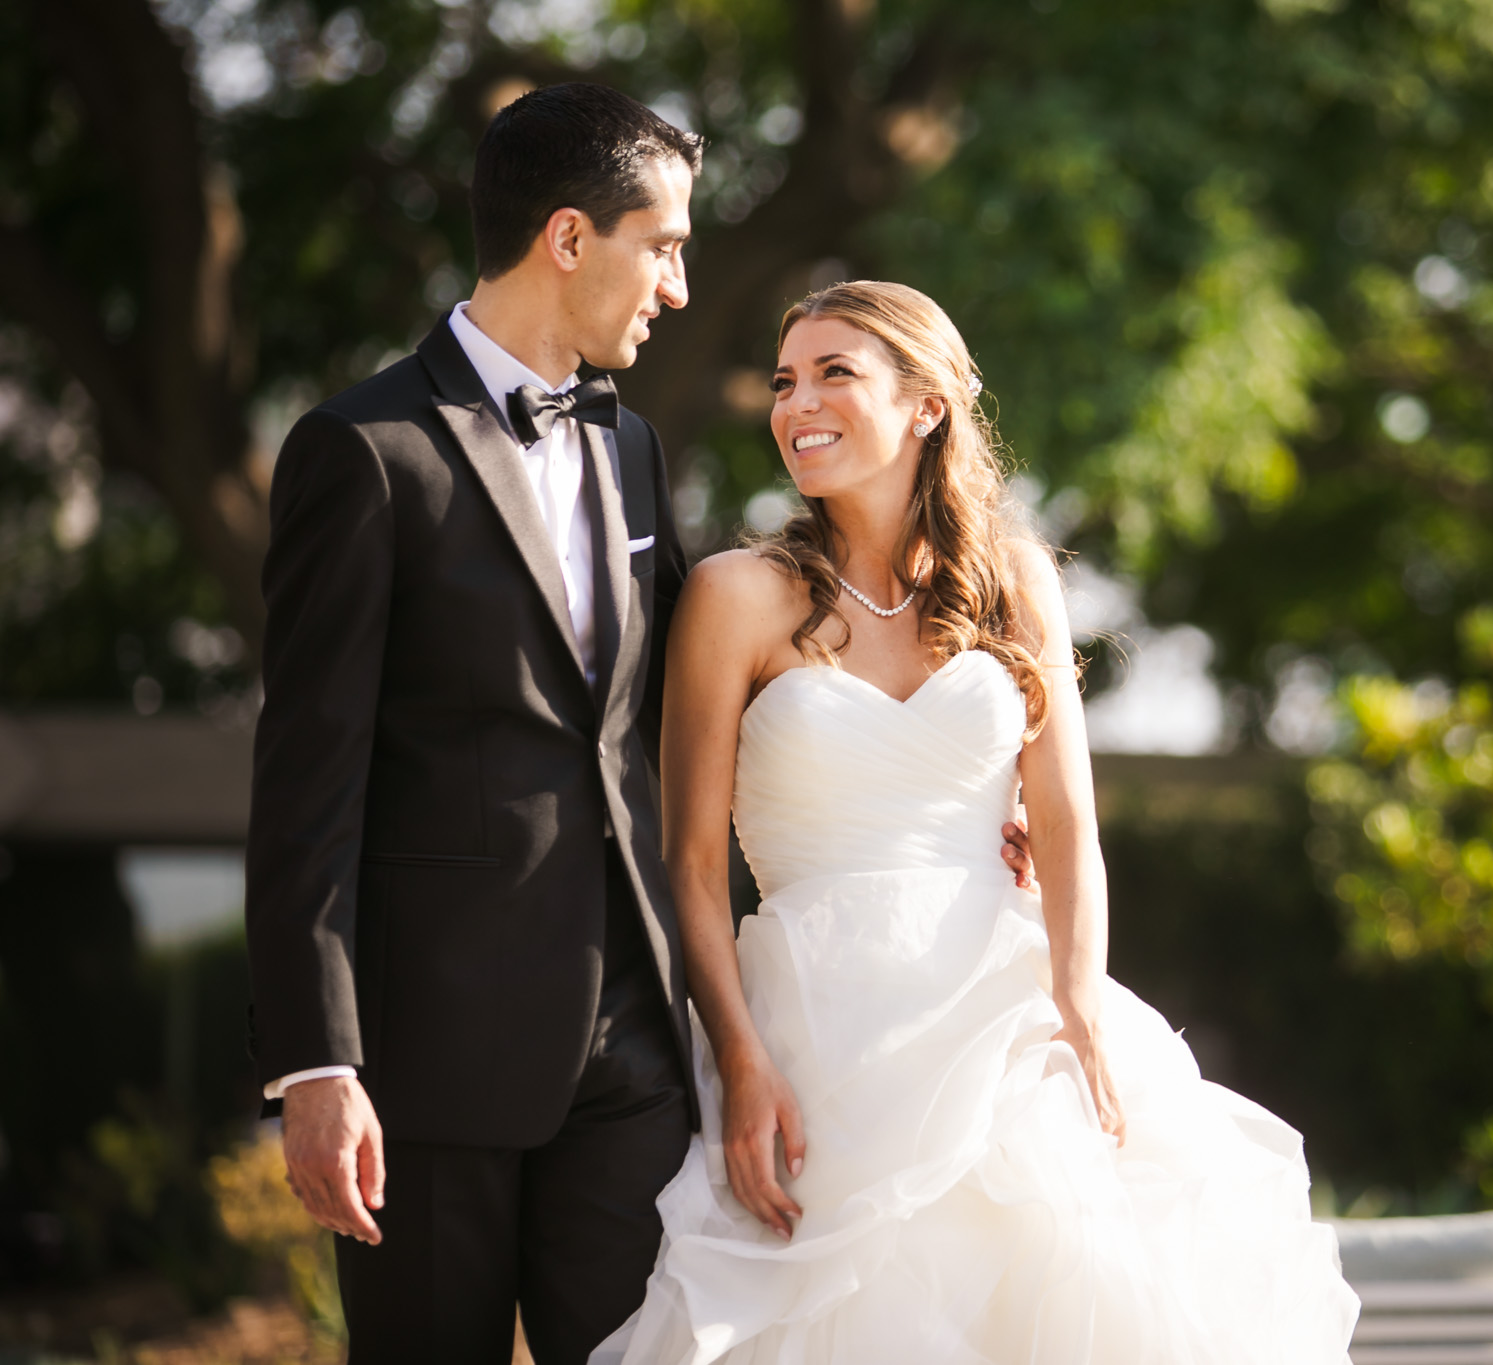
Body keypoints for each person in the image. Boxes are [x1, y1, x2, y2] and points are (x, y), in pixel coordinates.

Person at [243, 86, 1034, 1361]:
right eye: (661, 245)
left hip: (636, 1060)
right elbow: (303, 790)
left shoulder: (633, 453)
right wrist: (317, 1064)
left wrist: (961, 794)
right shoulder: (365, 452)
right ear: (569, 238)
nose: (675, 284)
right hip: (430, 1058)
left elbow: (717, 700)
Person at [596, 280, 1360, 1363]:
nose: (794, 403)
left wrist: (1079, 1003)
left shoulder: (1012, 580)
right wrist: (741, 1054)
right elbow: (685, 857)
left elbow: (1064, 825)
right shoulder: (736, 595)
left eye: (833, 374)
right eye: (782, 380)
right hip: (813, 1021)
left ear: (925, 405)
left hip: (1001, 1007)